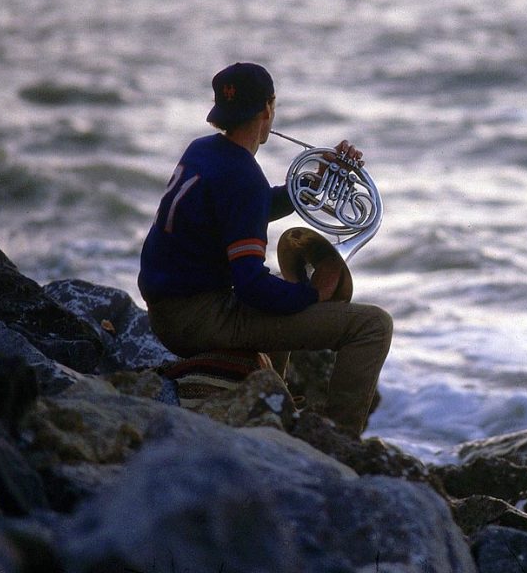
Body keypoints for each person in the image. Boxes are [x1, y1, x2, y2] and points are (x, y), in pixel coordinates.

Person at [138, 62, 393, 436]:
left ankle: (274, 405)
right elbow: (251, 286)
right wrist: (312, 292)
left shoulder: (204, 151)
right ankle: (340, 441)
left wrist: (311, 185)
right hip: (196, 320)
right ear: (268, 110)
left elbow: (239, 208)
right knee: (372, 326)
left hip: (166, 310)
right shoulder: (243, 178)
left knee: (279, 295)